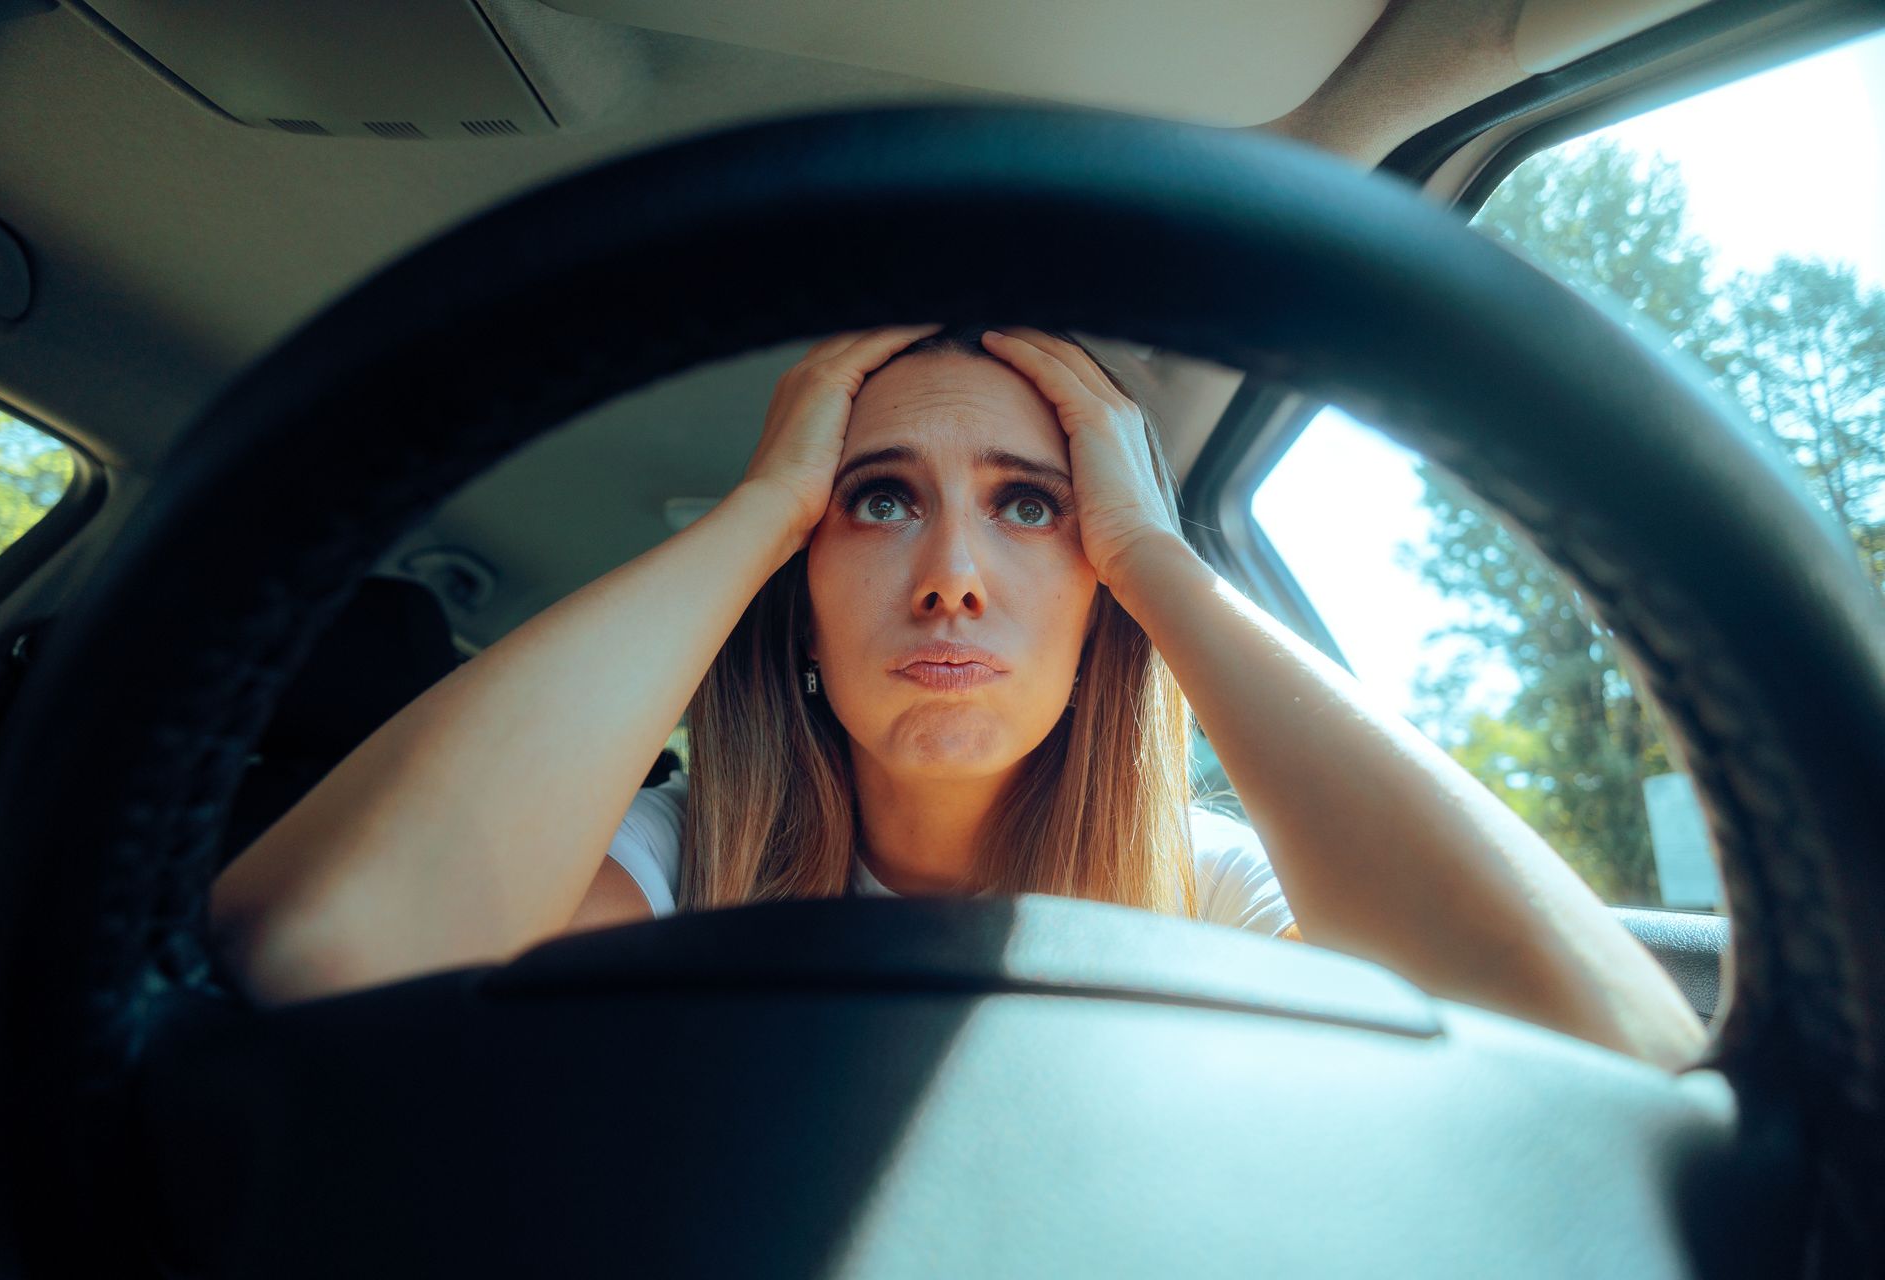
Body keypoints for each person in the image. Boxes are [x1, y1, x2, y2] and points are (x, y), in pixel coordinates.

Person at [209, 323, 1705, 1069]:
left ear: (1102, 603)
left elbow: (1602, 1040)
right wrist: (756, 510)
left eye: (1033, 510)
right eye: (873, 502)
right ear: (796, 585)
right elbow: (327, 945)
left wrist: (1156, 557)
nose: (953, 579)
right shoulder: (678, 863)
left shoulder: (1211, 889)